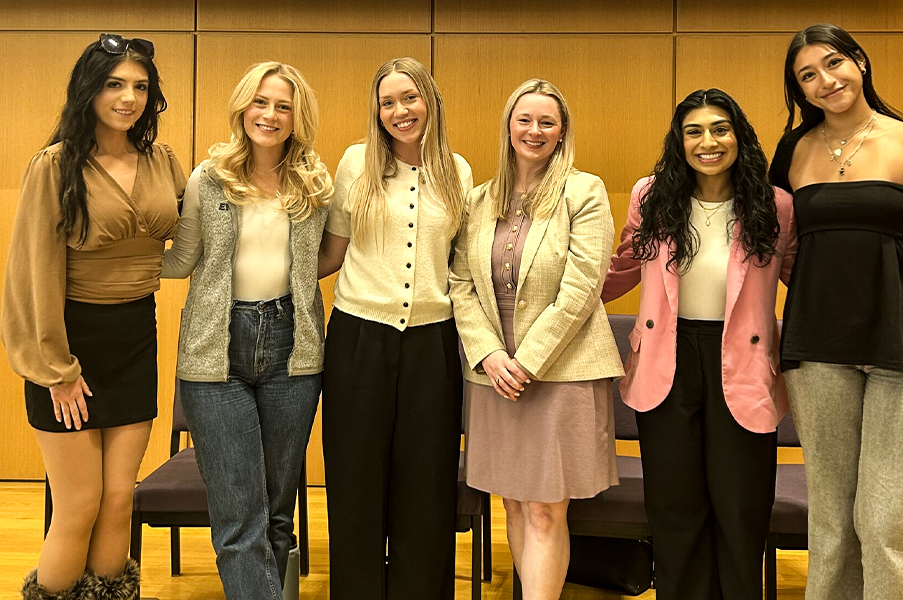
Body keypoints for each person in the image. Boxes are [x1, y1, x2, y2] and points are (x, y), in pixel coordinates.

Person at [770, 23, 903, 600]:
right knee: (831, 525)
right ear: (799, 90)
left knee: (889, 526)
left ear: (859, 61)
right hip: (816, 352)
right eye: (808, 75)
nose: (825, 81)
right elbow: (769, 244)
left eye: (834, 63)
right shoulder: (792, 152)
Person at [0, 34, 184, 600]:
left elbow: (195, 239)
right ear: (89, 90)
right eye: (114, 84)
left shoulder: (162, 160)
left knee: (117, 502)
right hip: (69, 346)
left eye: (140, 86)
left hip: (135, 336)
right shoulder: (54, 165)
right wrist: (57, 368)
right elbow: (32, 274)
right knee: (77, 505)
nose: (128, 97)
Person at [601, 88, 796, 600]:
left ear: (739, 137)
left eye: (719, 129)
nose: (707, 141)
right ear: (679, 140)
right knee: (674, 506)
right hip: (666, 359)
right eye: (694, 131)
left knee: (740, 508)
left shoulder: (776, 205)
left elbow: (807, 280)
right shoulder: (652, 195)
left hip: (745, 364)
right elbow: (621, 267)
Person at [160, 62, 332, 600]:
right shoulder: (208, 178)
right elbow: (182, 259)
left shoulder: (315, 183)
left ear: (296, 117)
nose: (270, 115)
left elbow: (324, 257)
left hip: (293, 347)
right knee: (240, 516)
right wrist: (109, 256)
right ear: (242, 107)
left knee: (278, 511)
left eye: (283, 106)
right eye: (261, 102)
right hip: (216, 349)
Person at [449, 79, 623, 600]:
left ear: (562, 131)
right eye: (524, 119)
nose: (535, 130)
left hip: (561, 370)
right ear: (508, 126)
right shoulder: (479, 198)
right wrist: (489, 354)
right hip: (493, 373)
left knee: (547, 509)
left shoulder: (584, 191)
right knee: (515, 503)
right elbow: (459, 282)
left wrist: (525, 361)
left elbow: (582, 288)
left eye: (547, 122)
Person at [317, 57, 473, 599]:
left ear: (430, 101)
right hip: (358, 339)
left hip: (433, 343)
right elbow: (330, 252)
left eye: (410, 98)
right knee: (356, 483)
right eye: (388, 102)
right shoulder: (355, 163)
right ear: (377, 111)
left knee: (427, 485)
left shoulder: (459, 171)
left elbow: (461, 267)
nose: (400, 111)